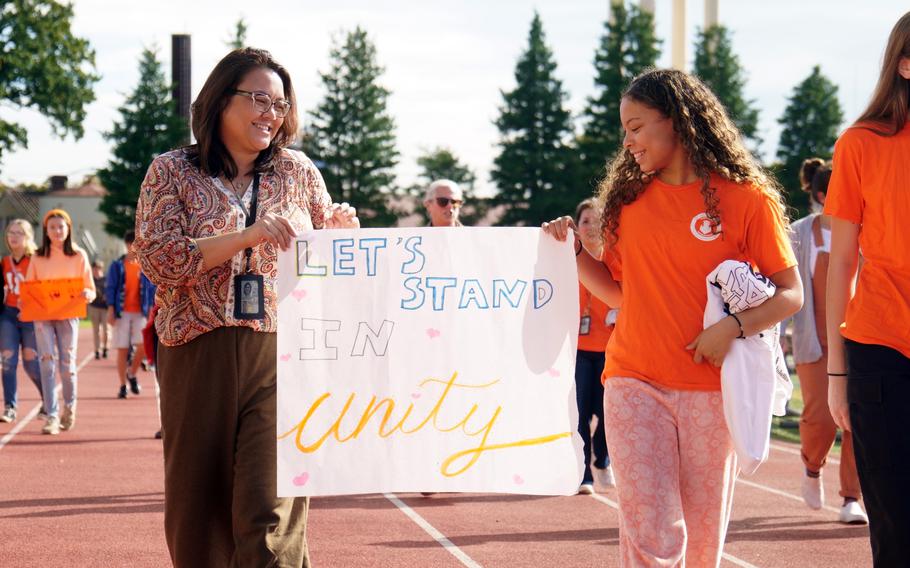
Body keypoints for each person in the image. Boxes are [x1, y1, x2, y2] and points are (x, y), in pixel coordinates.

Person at [543, 69, 802, 566]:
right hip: (633, 382)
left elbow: (790, 294)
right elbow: (619, 292)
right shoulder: (628, 203)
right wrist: (575, 251)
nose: (628, 141)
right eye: (625, 130)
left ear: (678, 121)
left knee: (703, 546)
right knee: (652, 534)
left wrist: (731, 328)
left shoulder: (748, 201)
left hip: (713, 392)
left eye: (636, 127)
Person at [134, 47, 359, 568]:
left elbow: (329, 253)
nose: (270, 114)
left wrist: (343, 231)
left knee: (272, 507)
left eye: (279, 104)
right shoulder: (171, 171)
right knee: (199, 513)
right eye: (258, 98)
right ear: (219, 101)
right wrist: (248, 235)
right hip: (197, 349)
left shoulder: (298, 173)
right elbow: (162, 262)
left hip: (281, 356)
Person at [825, 12, 910, 566]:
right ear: (906, 65)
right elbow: (842, 263)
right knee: (897, 530)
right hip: (881, 351)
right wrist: (837, 373)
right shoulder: (860, 145)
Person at [786, 159, 867, 524]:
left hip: (861, 340)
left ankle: (851, 497)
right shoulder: (799, 234)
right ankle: (812, 466)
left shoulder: (867, 233)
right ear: (822, 195)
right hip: (814, 343)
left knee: (858, 421)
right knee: (820, 418)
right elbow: (781, 283)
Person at [25, 209, 95, 435]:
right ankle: (51, 415)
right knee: (46, 363)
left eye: (61, 227)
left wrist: (86, 293)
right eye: (52, 227)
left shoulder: (78, 255)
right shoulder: (37, 256)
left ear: (68, 229)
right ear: (45, 231)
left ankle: (69, 407)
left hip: (68, 315)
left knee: (68, 365)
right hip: (43, 317)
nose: (57, 231)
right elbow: (29, 287)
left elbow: (90, 289)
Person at [573, 198, 615, 495]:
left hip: (612, 348)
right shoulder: (567, 262)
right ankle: (584, 470)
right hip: (576, 349)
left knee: (608, 412)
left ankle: (603, 457)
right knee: (581, 411)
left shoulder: (612, 262)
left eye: (598, 220)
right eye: (586, 220)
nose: (591, 226)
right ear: (577, 226)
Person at [0, 220, 42, 423]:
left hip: (30, 317)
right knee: (7, 361)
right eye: (10, 233)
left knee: (31, 364)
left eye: (19, 233)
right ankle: (10, 407)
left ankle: (48, 399)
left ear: (27, 237)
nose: (14, 236)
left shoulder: (35, 260)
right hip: (8, 314)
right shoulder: (4, 262)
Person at [106, 229, 155, 399]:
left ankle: (132, 373)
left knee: (142, 346)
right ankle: (122, 385)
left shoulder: (145, 266)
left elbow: (151, 289)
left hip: (140, 312)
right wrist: (111, 310)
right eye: (134, 243)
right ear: (127, 245)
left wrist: (151, 310)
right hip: (122, 312)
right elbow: (111, 288)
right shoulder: (117, 265)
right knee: (122, 349)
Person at [88, 260, 111, 360]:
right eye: (95, 268)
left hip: (105, 309)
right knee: (96, 330)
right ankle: (97, 350)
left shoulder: (106, 280)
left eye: (98, 268)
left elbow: (111, 291)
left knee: (106, 330)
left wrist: (107, 297)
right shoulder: (90, 280)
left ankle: (106, 348)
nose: (96, 270)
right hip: (94, 307)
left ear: (101, 269)